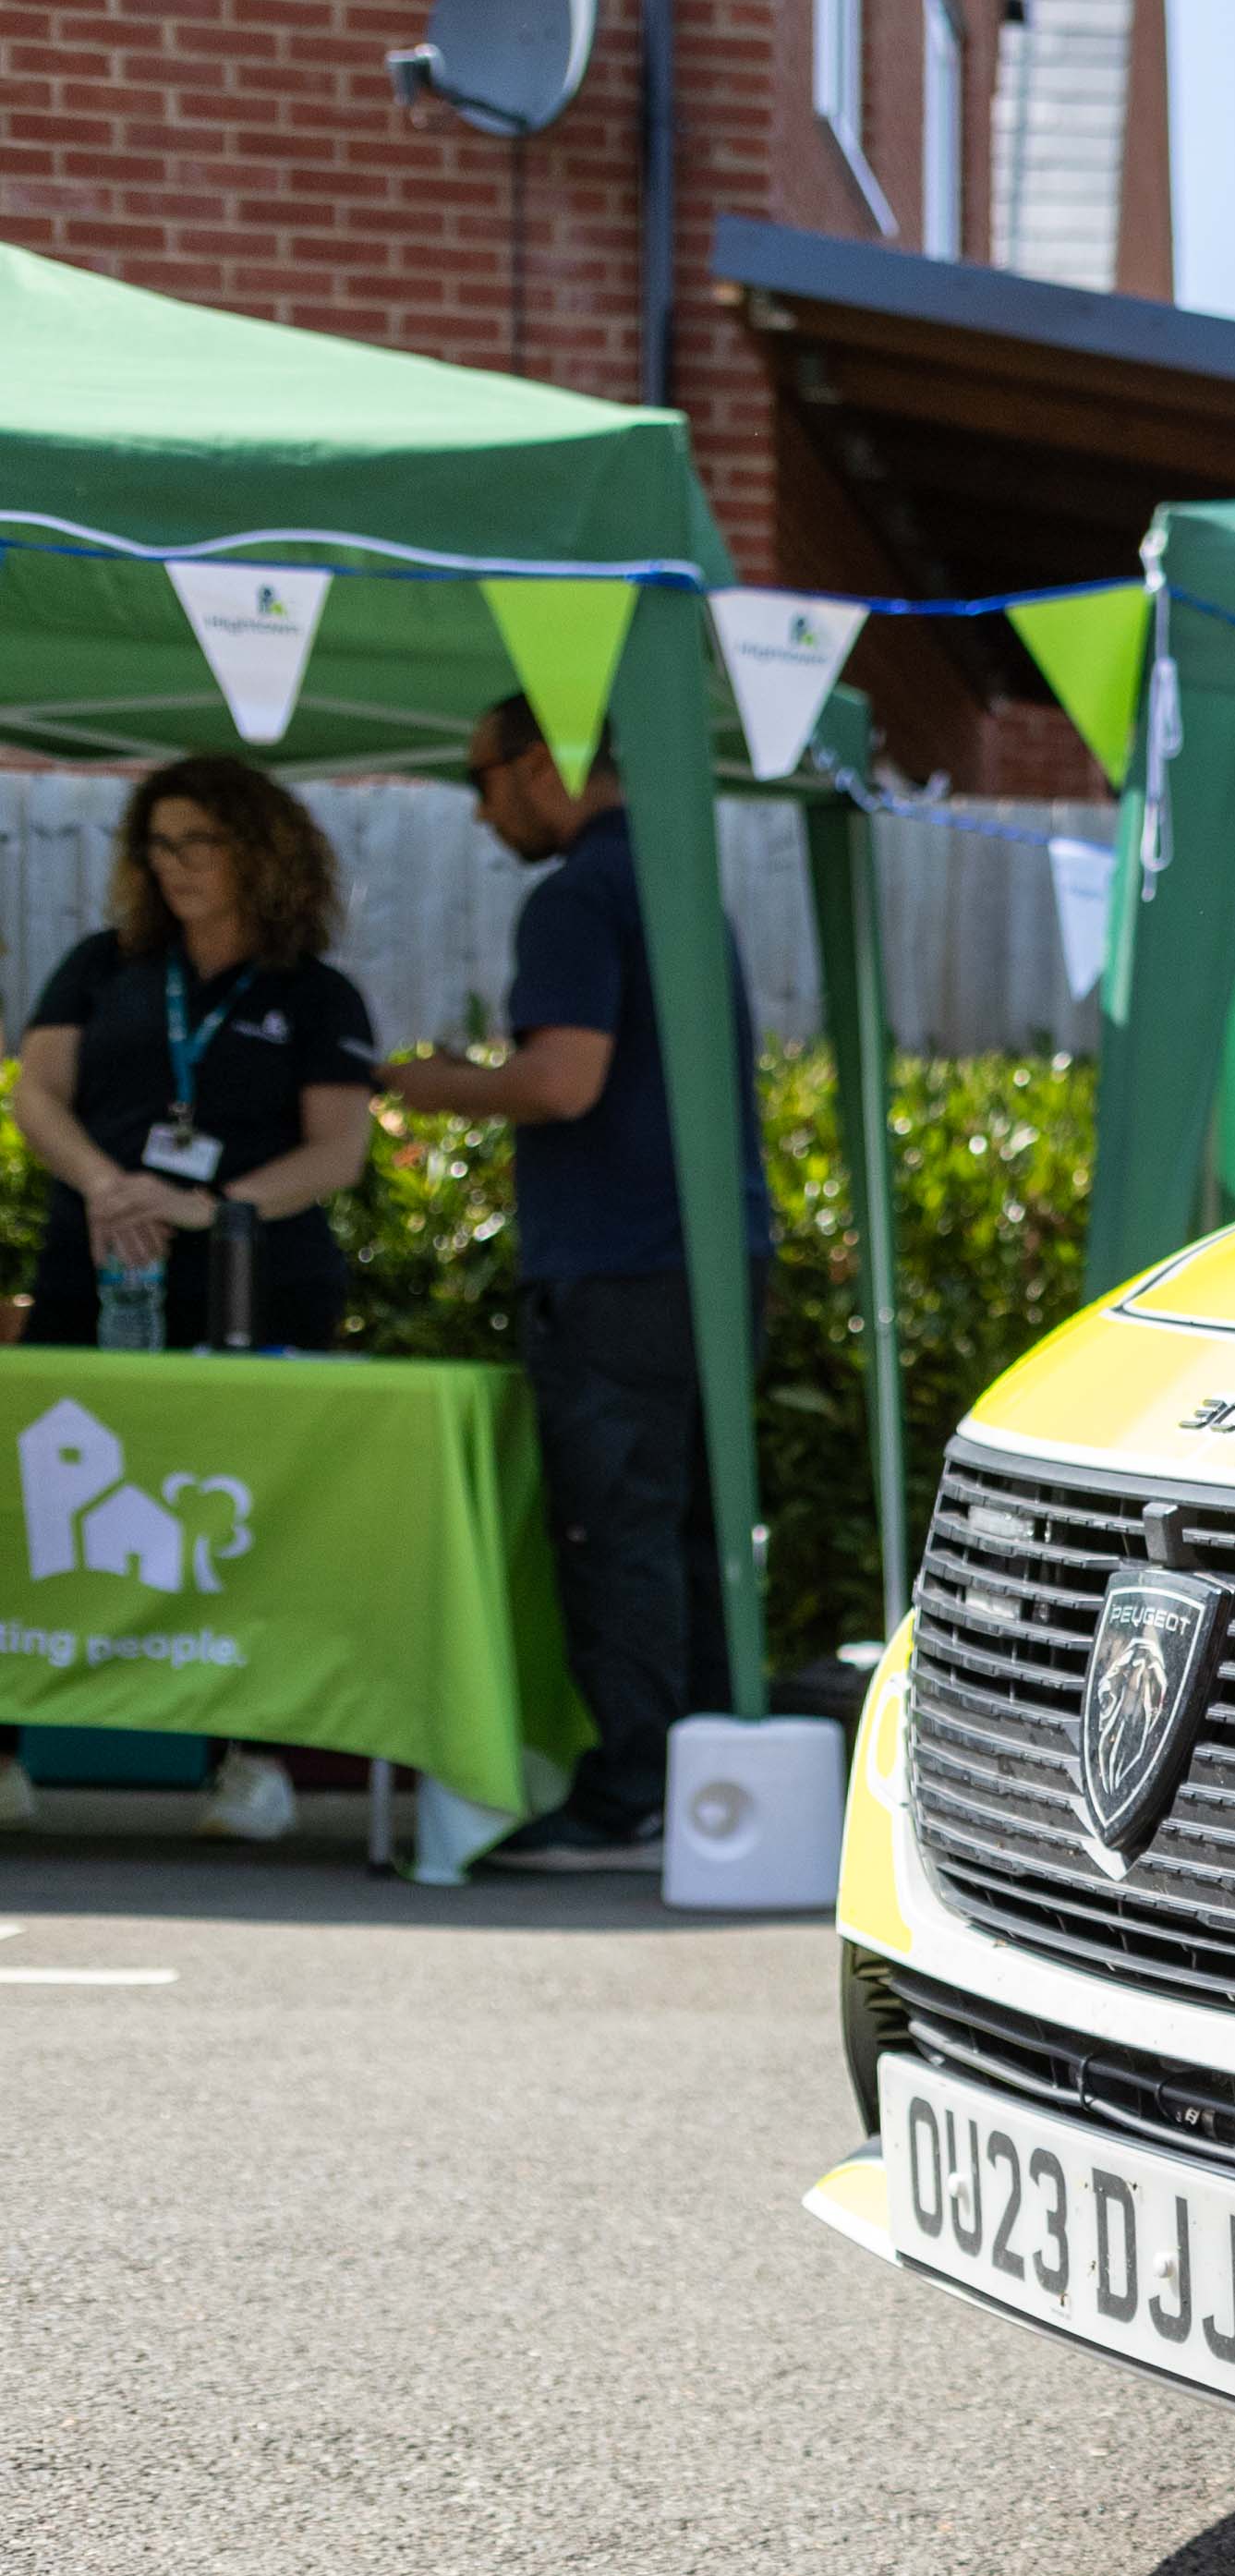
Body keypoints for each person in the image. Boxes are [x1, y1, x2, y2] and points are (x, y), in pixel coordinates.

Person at [383, 696, 771, 1878]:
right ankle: (707, 1790)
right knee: (692, 1530)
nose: (482, 807)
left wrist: (430, 1084)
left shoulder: (575, 897)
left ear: (543, 763)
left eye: (485, 778)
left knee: (618, 1533)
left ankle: (630, 1793)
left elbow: (562, 1082)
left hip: (617, 1267)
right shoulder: (672, 882)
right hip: (710, 1259)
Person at [10, 752, 384, 1842]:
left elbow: (336, 1154)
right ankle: (14, 1747)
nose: (175, 866)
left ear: (259, 853)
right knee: (48, 1512)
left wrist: (205, 1205)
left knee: (242, 1521)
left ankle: (250, 1761)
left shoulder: (314, 993)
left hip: (252, 1288)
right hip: (94, 1271)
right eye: (159, 844)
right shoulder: (102, 966)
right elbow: (39, 1093)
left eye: (201, 843)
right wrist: (105, 1184)